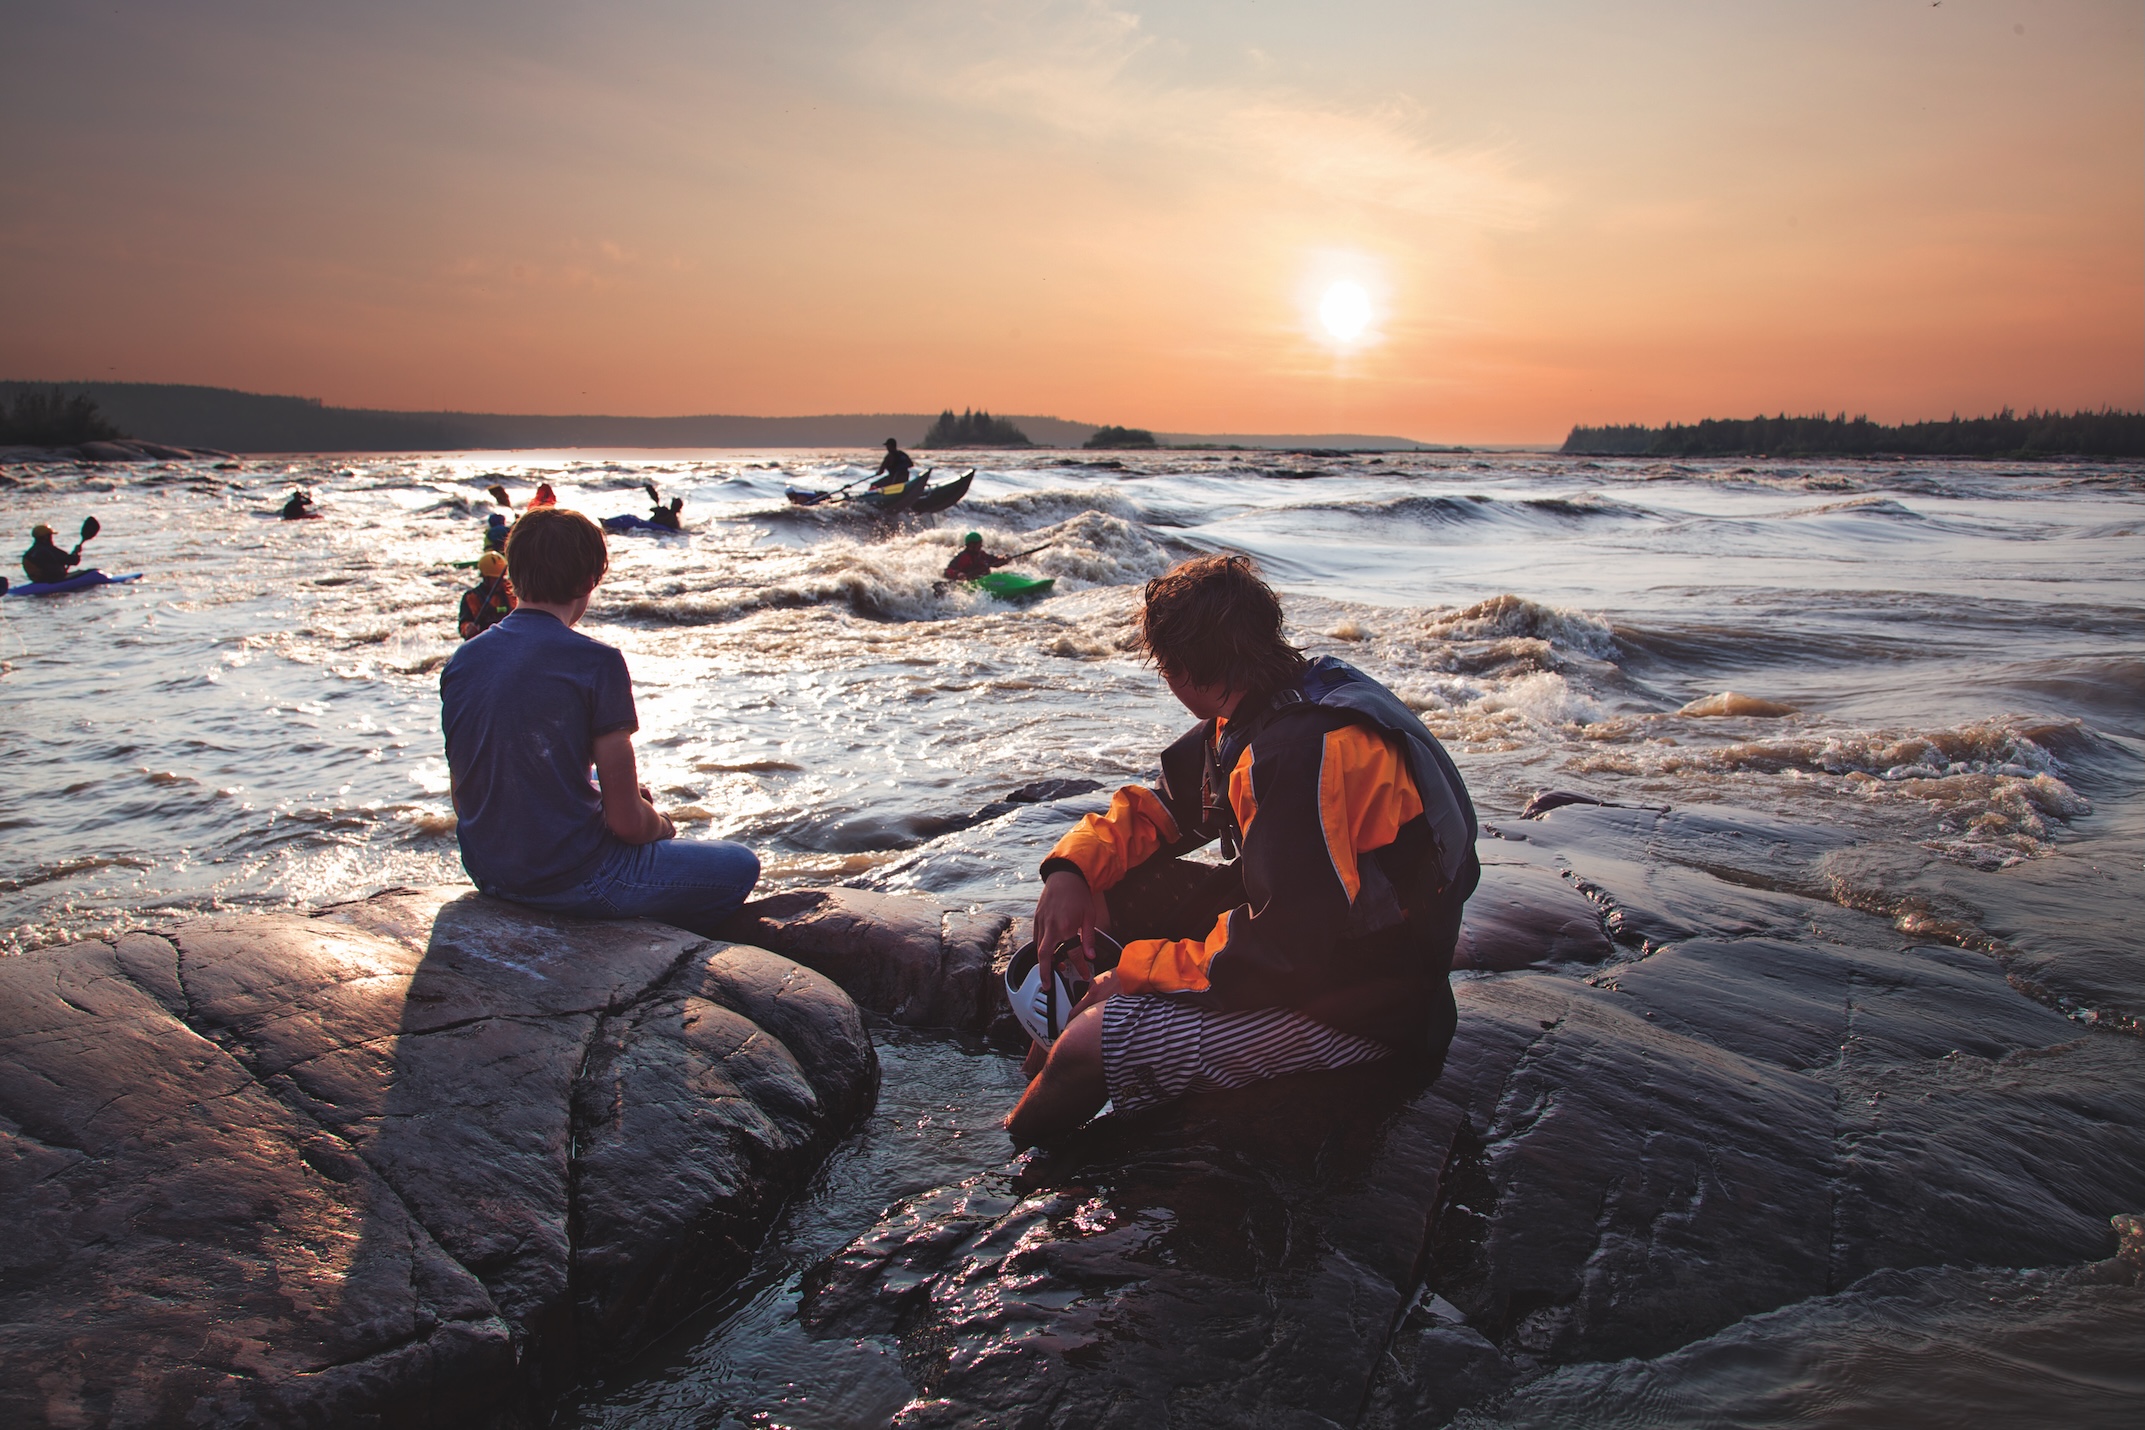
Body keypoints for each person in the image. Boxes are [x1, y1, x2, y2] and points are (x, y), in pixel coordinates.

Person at [1005, 554, 1480, 1145]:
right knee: (1102, 896)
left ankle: (1010, 1158)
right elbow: (1166, 807)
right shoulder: (1277, 700)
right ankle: (1048, 1057)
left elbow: (1284, 948)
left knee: (1086, 1048)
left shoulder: (1304, 752)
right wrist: (1071, 870)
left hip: (1368, 1006)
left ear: (1181, 670)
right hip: (1330, 944)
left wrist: (1131, 974)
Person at [438, 506, 760, 935]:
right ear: (591, 579)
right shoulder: (596, 661)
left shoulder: (463, 659)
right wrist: (661, 822)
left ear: (513, 574)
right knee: (739, 864)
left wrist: (594, 792)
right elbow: (627, 825)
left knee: (592, 778)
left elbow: (466, 793)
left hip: (489, 873)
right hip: (575, 880)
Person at [457, 550, 517, 639]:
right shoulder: (472, 597)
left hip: (508, 639)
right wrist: (468, 628)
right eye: (495, 579)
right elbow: (464, 625)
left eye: (501, 578)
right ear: (485, 577)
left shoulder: (511, 592)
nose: (500, 582)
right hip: (484, 640)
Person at [943, 531, 1007, 581]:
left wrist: (1004, 559)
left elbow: (994, 561)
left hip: (986, 580)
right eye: (979, 544)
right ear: (971, 545)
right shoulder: (963, 557)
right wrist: (958, 574)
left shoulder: (981, 554)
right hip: (971, 583)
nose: (981, 546)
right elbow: (947, 571)